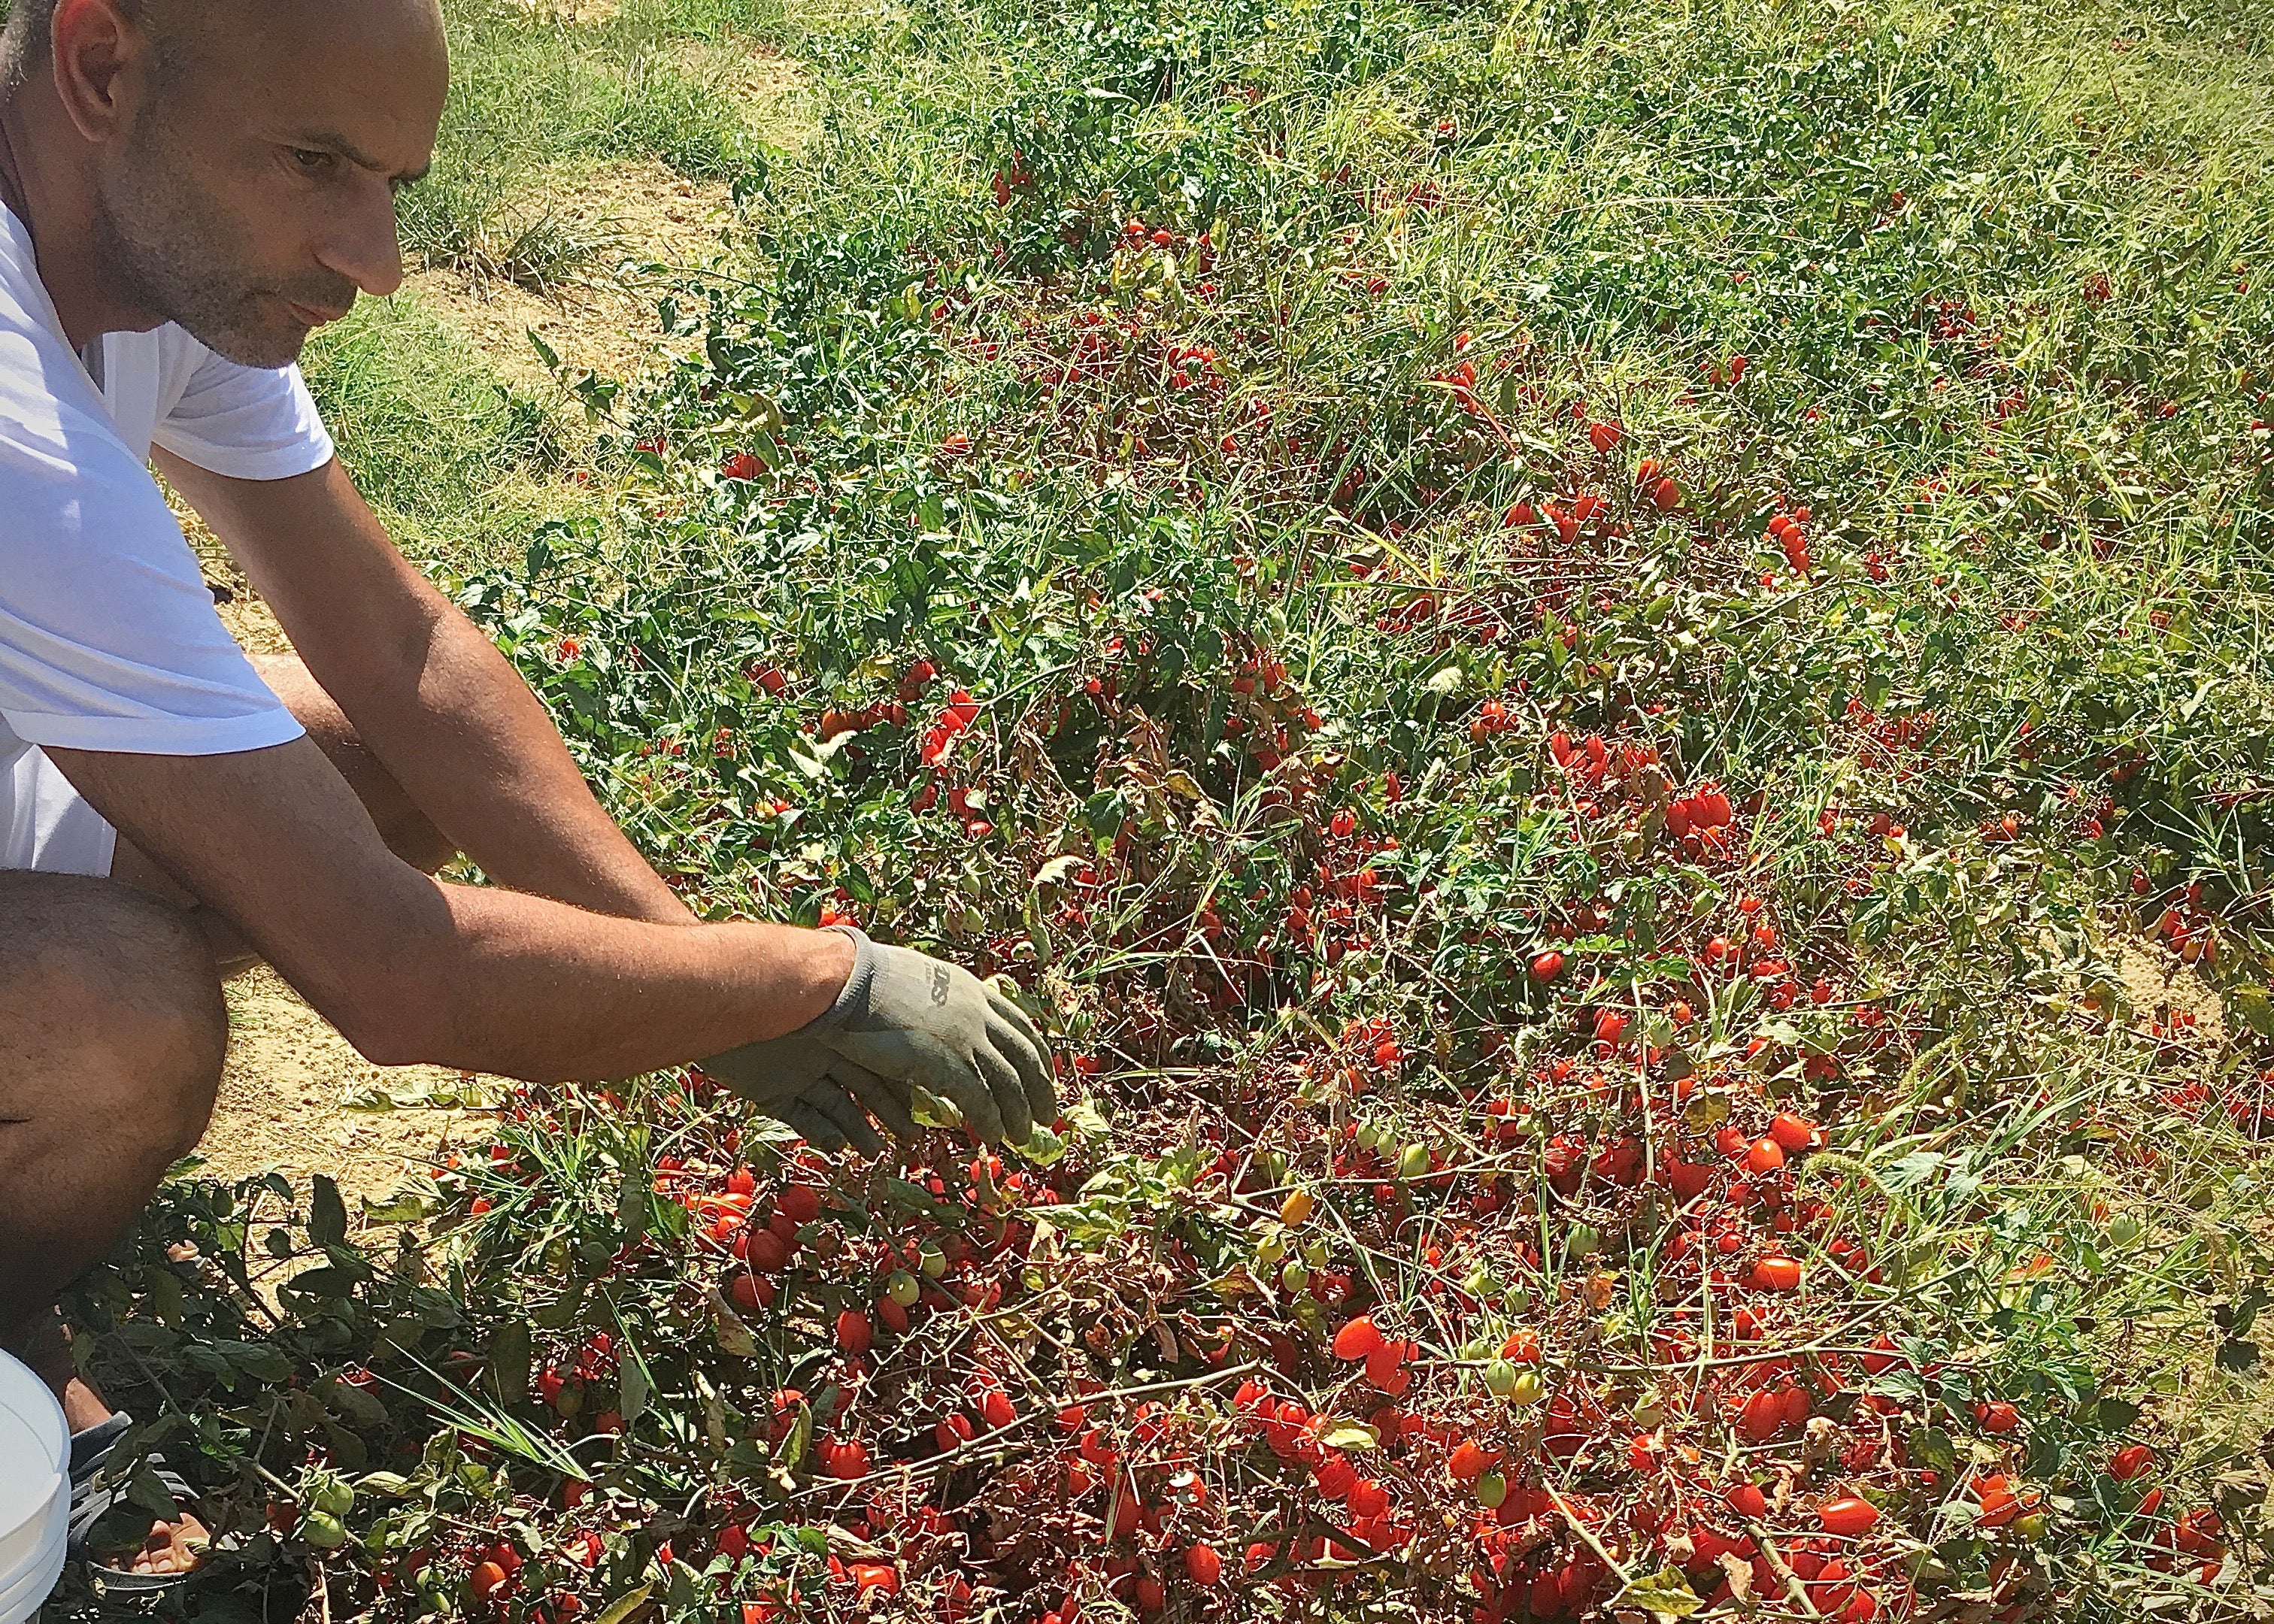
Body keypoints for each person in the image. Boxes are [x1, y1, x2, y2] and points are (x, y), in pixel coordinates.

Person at [0, 0, 1054, 1581]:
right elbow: (401, 977)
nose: (376, 258)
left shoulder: (147, 258)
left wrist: (689, 974)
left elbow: (402, 649)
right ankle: (16, 1342)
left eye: (396, 187)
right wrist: (813, 975)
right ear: (98, 68)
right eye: (316, 165)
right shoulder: (17, 432)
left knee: (360, 774)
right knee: (121, 1014)